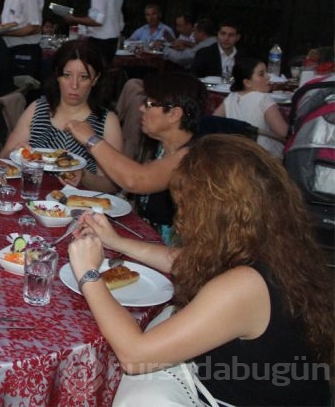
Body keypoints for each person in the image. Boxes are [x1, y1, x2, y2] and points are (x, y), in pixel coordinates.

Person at [68, 135, 332, 407]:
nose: (181, 215)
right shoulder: (270, 246)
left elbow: (135, 356)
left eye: (185, 204)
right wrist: (118, 242)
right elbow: (187, 261)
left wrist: (89, 275)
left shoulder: (245, 285)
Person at [66, 72, 207, 241]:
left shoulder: (193, 157)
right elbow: (125, 187)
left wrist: (92, 140)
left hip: (174, 255)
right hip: (145, 241)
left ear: (174, 114)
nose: (141, 108)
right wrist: (84, 175)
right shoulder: (158, 148)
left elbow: (135, 180)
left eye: (149, 103)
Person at [1, 39, 123, 193]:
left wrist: (84, 176)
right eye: (67, 75)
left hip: (80, 208)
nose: (74, 85)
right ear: (57, 75)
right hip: (31, 198)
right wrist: (16, 154)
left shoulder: (107, 121)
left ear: (96, 79)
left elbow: (112, 185)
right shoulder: (38, 109)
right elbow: (1, 159)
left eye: (83, 77)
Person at [214, 56, 288, 157]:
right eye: (261, 74)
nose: (268, 77)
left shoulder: (231, 97)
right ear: (247, 82)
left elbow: (214, 121)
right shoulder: (263, 99)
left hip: (235, 153)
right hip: (262, 156)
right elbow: (283, 132)